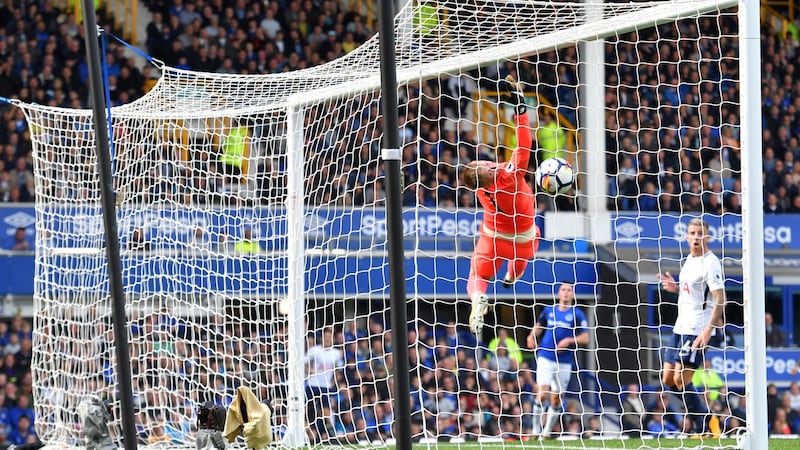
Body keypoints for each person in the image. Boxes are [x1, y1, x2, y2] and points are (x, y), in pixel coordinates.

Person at [463, 75, 540, 334]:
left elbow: (479, 173)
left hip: (492, 235)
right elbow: (524, 142)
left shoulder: (482, 189)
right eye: (481, 163)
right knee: (524, 256)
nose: (483, 161)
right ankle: (511, 277)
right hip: (523, 237)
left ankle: (477, 299)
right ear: (485, 168)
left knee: (478, 276)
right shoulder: (509, 175)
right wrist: (519, 104)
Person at [657, 218, 726, 436]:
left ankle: (705, 425)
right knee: (667, 379)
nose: (696, 237)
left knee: (681, 379)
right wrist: (675, 288)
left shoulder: (711, 263)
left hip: (697, 329)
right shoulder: (688, 260)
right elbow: (694, 294)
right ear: (687, 236)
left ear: (707, 237)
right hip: (680, 327)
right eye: (692, 233)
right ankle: (705, 416)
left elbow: (720, 298)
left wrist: (708, 330)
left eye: (700, 234)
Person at [526, 281, 588, 439]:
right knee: (542, 393)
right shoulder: (549, 311)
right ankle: (535, 431)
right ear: (559, 293)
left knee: (556, 398)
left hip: (564, 361)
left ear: (572, 294)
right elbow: (539, 325)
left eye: (569, 290)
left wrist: (569, 341)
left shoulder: (577, 314)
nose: (566, 292)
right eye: (563, 290)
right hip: (545, 356)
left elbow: (585, 337)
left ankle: (546, 433)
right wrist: (531, 335)